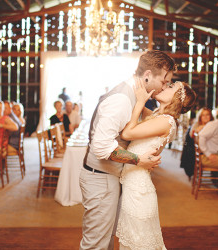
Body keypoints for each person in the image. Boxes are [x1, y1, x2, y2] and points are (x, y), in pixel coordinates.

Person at [79, 50, 176, 250]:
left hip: (110, 177)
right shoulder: (122, 99)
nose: (165, 86)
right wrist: (138, 160)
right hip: (100, 177)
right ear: (147, 75)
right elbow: (101, 147)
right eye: (164, 82)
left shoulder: (134, 95)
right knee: (95, 243)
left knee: (105, 241)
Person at [116, 80, 196, 250]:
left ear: (176, 99)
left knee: (138, 243)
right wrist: (141, 92)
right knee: (133, 242)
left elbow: (128, 133)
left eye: (171, 86)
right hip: (135, 184)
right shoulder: (158, 116)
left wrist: (140, 101)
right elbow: (140, 109)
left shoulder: (166, 121)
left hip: (138, 189)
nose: (165, 86)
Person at [180, 107, 213, 179]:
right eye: (203, 115)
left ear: (211, 116)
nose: (205, 117)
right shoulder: (197, 124)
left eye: (207, 115)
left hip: (210, 148)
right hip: (200, 151)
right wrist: (198, 130)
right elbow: (191, 135)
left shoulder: (213, 124)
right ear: (200, 117)